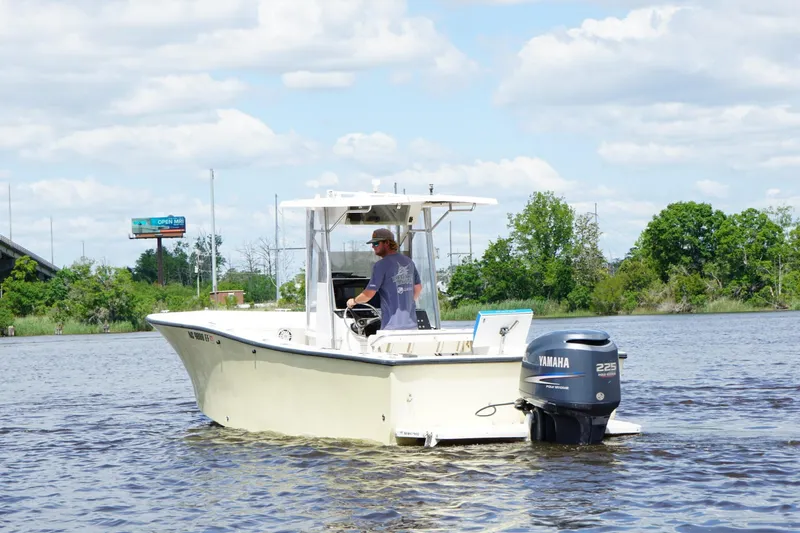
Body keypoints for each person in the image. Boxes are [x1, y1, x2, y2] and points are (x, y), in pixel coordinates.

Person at [346, 228, 422, 330]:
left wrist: (354, 301)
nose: (373, 246)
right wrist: (406, 301)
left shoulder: (380, 265)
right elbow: (418, 288)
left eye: (376, 243)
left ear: (387, 243)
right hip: (412, 327)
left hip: (391, 329)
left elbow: (368, 294)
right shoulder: (409, 262)